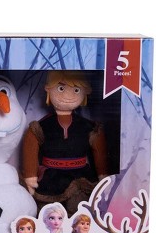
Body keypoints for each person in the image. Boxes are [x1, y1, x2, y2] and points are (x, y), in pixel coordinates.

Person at [22, 71, 108, 215]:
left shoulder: (90, 127)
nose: (68, 95)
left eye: (76, 90)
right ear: (48, 89)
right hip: (51, 177)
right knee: (49, 212)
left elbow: (100, 152)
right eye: (61, 88)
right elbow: (30, 150)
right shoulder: (40, 126)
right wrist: (30, 176)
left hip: (81, 177)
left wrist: (103, 176)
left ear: (85, 92)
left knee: (81, 210)